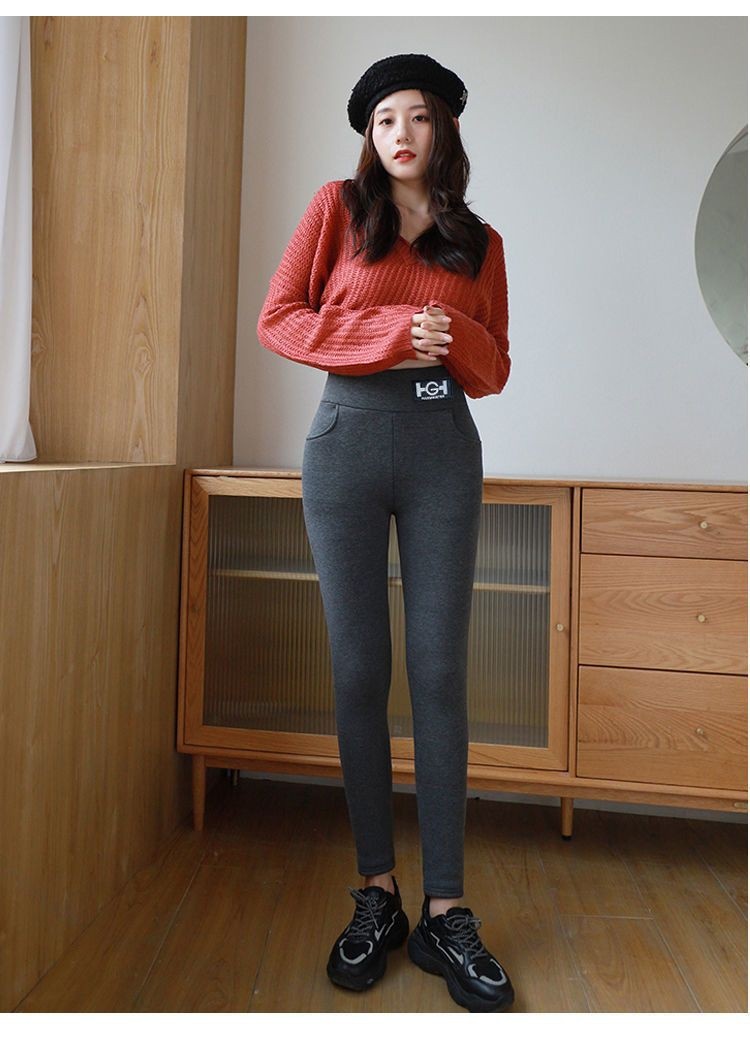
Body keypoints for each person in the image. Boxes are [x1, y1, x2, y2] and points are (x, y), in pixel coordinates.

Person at [256, 53, 514, 1014]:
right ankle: (379, 891)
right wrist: (396, 334)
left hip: (444, 447)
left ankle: (447, 909)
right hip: (346, 446)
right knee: (360, 671)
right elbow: (279, 319)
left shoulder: (479, 242)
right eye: (384, 120)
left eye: (419, 116)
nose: (401, 133)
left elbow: (495, 367)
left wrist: (455, 339)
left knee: (439, 673)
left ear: (446, 129)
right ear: (369, 136)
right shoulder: (337, 209)